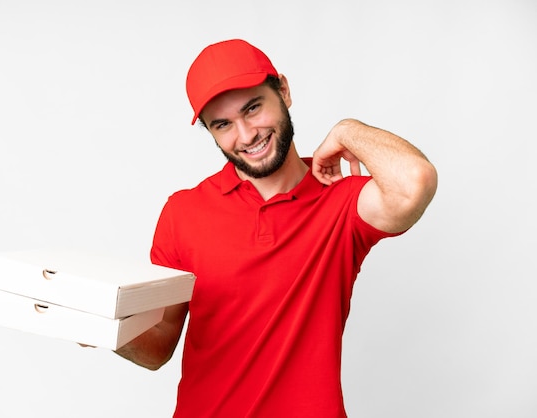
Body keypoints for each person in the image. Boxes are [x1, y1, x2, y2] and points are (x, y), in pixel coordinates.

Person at [115, 39, 438, 417]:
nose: (247, 135)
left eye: (253, 109)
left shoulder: (340, 201)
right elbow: (158, 347)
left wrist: (349, 130)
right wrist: (98, 325)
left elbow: (415, 182)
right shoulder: (182, 212)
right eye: (223, 125)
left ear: (283, 90)